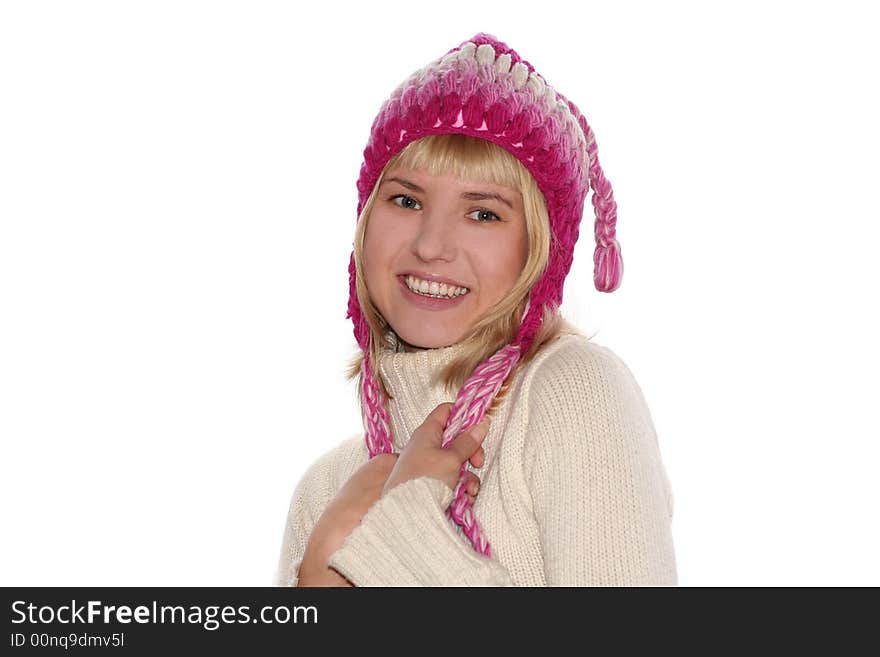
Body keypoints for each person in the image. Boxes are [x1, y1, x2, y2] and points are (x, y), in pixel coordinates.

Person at [273, 32, 677, 586]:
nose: (431, 244)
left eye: (483, 213)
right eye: (406, 200)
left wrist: (403, 530)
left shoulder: (572, 394)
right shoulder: (327, 490)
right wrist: (320, 569)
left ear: (539, 252)